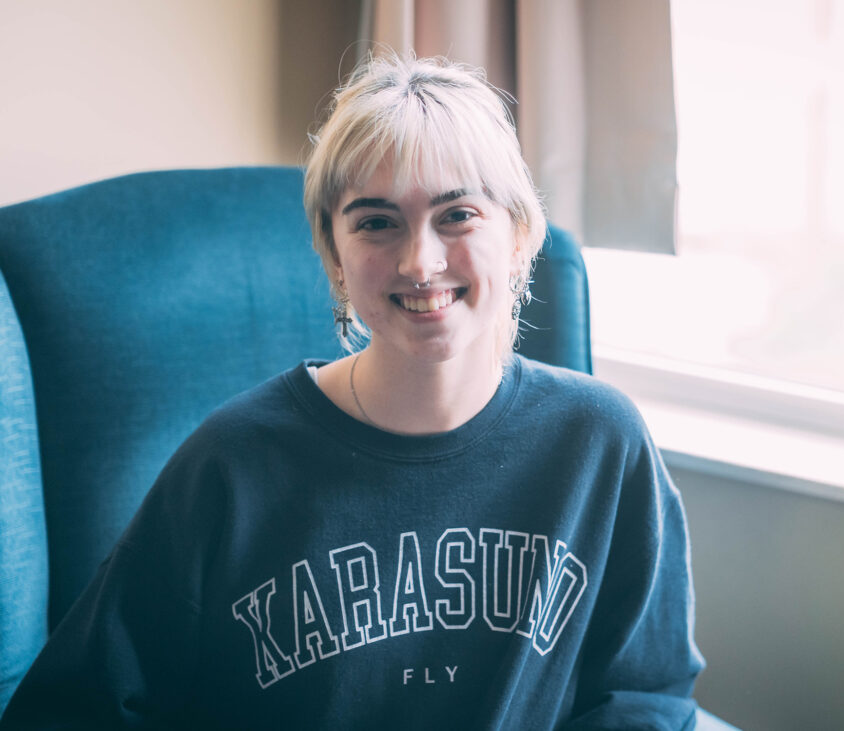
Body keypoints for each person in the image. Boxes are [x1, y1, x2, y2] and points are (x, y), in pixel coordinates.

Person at [1, 53, 704, 729]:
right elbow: (73, 706)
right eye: (376, 221)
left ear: (519, 237)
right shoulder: (230, 464)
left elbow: (642, 692)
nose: (420, 261)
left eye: (457, 214)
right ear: (335, 258)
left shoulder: (600, 443)